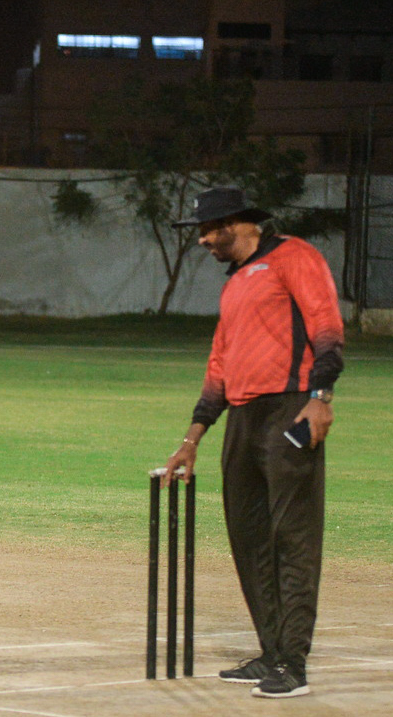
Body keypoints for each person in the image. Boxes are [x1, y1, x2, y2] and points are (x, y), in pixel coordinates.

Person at [161, 186, 344, 699]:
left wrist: (321, 397)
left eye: (207, 230)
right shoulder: (236, 282)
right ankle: (271, 652)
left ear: (234, 224)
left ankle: (293, 664)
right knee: (249, 537)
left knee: (292, 536)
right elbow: (219, 365)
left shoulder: (293, 256)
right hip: (242, 418)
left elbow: (327, 327)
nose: (202, 241)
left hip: (291, 409)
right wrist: (193, 437)